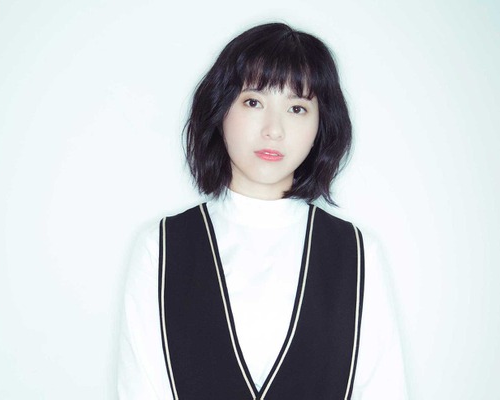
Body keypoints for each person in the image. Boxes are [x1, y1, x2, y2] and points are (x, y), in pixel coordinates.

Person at [118, 22, 407, 399]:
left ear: (321, 125)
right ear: (220, 108)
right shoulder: (161, 247)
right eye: (254, 102)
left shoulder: (356, 252)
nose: (274, 129)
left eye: (297, 108)